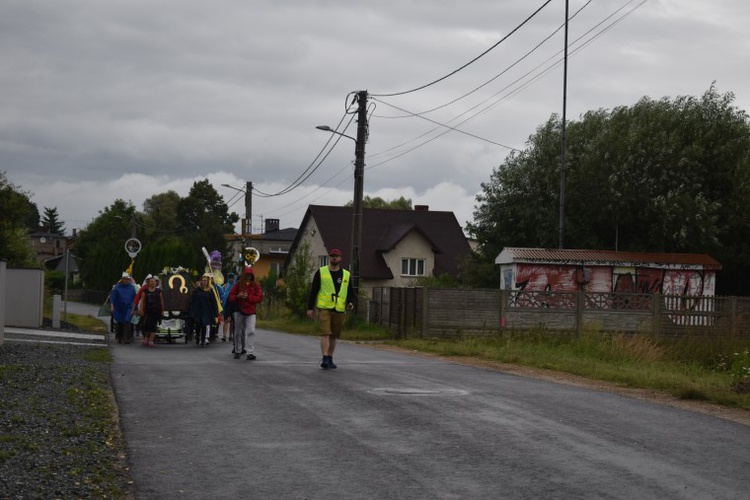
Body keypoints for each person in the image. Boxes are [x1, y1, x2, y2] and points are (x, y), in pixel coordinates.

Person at [306, 248, 356, 370]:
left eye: (336, 256)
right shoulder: (321, 272)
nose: (334, 258)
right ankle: (324, 358)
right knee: (325, 332)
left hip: (339, 309)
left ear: (340, 258)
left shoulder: (346, 274)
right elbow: (314, 290)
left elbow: (350, 291)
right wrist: (310, 308)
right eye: (332, 256)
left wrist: (350, 302)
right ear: (329, 257)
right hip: (324, 307)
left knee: (334, 335)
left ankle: (330, 357)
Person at [229, 267, 263, 360]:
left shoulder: (256, 285)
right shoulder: (238, 284)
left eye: (249, 275)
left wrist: (248, 298)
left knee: (251, 331)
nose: (248, 277)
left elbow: (259, 298)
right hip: (239, 310)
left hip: (251, 311)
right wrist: (238, 296)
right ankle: (238, 350)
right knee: (238, 332)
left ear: (252, 276)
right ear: (243, 275)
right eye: (246, 275)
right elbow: (231, 297)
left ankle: (250, 352)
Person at [188, 273, 220, 347]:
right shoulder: (197, 290)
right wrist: (192, 311)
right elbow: (193, 301)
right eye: (203, 280)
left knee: (204, 325)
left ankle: (203, 341)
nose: (205, 282)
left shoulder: (210, 291)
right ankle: (198, 338)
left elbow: (213, 301)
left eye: (206, 280)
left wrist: (215, 311)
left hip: (207, 311)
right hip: (199, 311)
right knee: (198, 325)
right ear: (201, 281)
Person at [110, 272, 137, 344]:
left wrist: (134, 309)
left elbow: (135, 299)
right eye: (125, 279)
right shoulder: (117, 287)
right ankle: (119, 337)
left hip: (128, 307)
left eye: (127, 279)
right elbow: (112, 297)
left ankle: (126, 338)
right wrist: (112, 306)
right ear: (122, 279)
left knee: (127, 320)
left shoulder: (131, 287)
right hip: (119, 307)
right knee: (120, 321)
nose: (126, 280)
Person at [138, 275, 164, 347]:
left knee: (153, 326)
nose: (153, 283)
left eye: (154, 281)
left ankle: (151, 341)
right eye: (152, 281)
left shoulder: (159, 291)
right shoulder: (145, 291)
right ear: (148, 283)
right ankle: (146, 338)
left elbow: (161, 301)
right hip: (147, 311)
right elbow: (142, 300)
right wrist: (141, 309)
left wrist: (162, 311)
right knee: (146, 325)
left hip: (156, 311)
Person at [220, 272, 236, 342]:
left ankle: (230, 335)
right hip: (226, 304)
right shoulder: (225, 286)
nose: (231, 279)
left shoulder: (236, 286)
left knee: (232, 321)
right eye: (229, 278)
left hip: (234, 304)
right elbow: (222, 295)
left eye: (232, 278)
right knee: (226, 320)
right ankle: (224, 335)